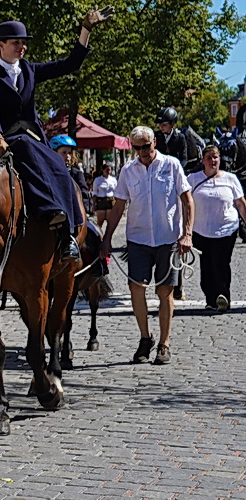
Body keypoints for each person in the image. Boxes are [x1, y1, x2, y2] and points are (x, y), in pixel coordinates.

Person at [0, 13, 110, 262]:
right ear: (0, 45)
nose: (22, 47)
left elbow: (70, 64)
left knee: (60, 167)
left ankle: (68, 233)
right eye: (16, 42)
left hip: (31, 137)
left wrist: (86, 29)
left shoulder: (29, 70)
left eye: (24, 43)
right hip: (1, 140)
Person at [100, 124, 194, 364]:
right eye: (137, 147)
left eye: (146, 146)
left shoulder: (171, 165)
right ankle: (145, 337)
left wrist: (187, 234)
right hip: (138, 239)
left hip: (167, 238)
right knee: (136, 289)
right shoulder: (128, 171)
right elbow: (119, 206)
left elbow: (187, 200)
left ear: (154, 143)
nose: (142, 151)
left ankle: (164, 344)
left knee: (164, 291)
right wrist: (107, 238)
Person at [187, 143, 245, 313]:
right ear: (203, 161)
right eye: (209, 158)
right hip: (201, 230)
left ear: (220, 159)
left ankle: (223, 296)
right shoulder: (193, 179)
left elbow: (241, 204)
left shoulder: (230, 179)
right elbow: (185, 204)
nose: (213, 160)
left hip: (226, 229)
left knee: (221, 262)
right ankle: (210, 299)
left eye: (215, 157)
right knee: (207, 264)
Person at [51, 135, 93, 215]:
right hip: (55, 213)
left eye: (69, 153)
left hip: (74, 213)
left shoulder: (76, 173)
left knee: (92, 227)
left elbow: (84, 195)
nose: (68, 156)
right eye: (64, 153)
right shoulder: (49, 173)